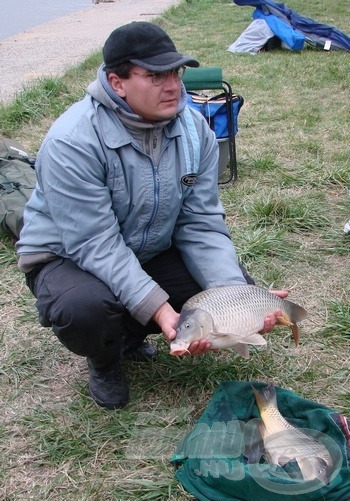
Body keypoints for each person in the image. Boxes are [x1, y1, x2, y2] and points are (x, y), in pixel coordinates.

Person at [16, 21, 286, 410]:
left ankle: (129, 332)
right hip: (69, 256)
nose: (173, 85)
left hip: (147, 246)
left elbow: (201, 222)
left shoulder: (196, 130)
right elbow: (96, 244)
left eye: (175, 72)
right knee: (85, 308)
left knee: (234, 287)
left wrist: (236, 297)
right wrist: (161, 310)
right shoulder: (71, 142)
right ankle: (105, 359)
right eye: (155, 75)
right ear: (117, 82)